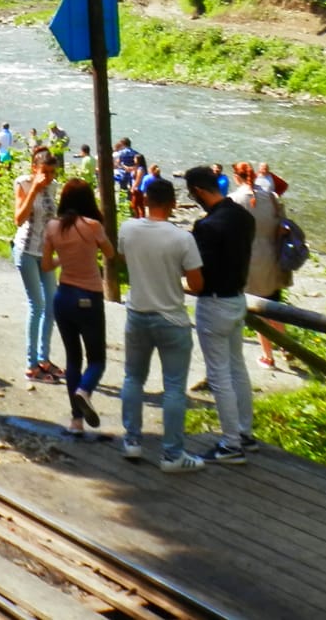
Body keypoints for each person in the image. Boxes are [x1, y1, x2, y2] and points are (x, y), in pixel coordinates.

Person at [117, 176, 205, 473]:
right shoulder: (183, 238)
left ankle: (131, 441)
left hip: (137, 313)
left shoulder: (128, 228)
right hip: (171, 318)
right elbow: (196, 283)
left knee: (133, 379)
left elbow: (120, 257)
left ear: (144, 200)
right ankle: (172, 455)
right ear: (172, 204)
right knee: (174, 389)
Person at [185, 164, 256, 465]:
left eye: (191, 193)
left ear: (199, 191)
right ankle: (245, 433)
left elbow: (198, 273)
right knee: (237, 367)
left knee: (219, 375)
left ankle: (230, 445)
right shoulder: (243, 216)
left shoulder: (206, 226)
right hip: (238, 299)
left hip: (214, 302)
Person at [41, 177, 116, 438]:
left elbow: (47, 265)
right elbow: (109, 253)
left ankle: (75, 422)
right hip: (89, 297)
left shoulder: (52, 226)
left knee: (73, 358)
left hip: (64, 296)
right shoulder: (93, 225)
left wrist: (65, 256)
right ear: (88, 201)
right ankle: (84, 391)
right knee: (96, 359)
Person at [12, 146, 63, 384]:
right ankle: (31, 366)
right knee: (37, 305)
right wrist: (34, 188)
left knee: (52, 306)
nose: (49, 177)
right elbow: (18, 219)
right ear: (34, 168)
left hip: (44, 253)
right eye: (45, 171)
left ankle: (44, 359)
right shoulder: (23, 183)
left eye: (53, 172)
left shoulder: (53, 186)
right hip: (25, 250)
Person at [235, 163, 289, 369]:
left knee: (259, 310)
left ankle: (268, 356)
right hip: (274, 257)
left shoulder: (236, 199)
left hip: (251, 259)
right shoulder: (273, 198)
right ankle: (287, 349)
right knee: (275, 305)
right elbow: (283, 226)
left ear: (236, 177)